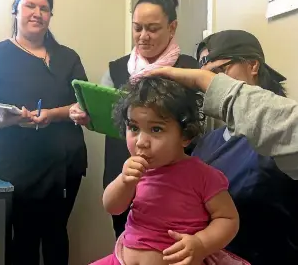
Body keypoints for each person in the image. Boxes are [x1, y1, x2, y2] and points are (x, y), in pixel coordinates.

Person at [146, 30, 298, 264]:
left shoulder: (281, 138)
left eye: (218, 73)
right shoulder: (208, 142)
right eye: (204, 78)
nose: (209, 86)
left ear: (253, 66)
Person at [70, 0, 199, 239]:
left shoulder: (190, 70)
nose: (143, 36)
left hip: (177, 180)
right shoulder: (116, 69)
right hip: (124, 173)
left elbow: (197, 124)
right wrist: (86, 117)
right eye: (137, 27)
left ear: (172, 28)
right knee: (128, 241)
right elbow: (103, 119)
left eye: (152, 28)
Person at [0, 0, 88, 265]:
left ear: (51, 15)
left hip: (66, 166)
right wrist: (7, 120)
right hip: (17, 170)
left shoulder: (68, 57)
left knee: (56, 238)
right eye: (30, 5)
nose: (38, 13)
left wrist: (53, 114)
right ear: (15, 9)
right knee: (23, 241)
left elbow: (84, 104)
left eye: (45, 8)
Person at [90, 76, 249, 265]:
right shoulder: (135, 171)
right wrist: (124, 181)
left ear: (185, 135)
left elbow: (227, 218)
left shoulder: (203, 176)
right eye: (133, 128)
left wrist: (201, 243)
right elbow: (113, 207)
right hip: (121, 259)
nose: (141, 142)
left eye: (156, 129)